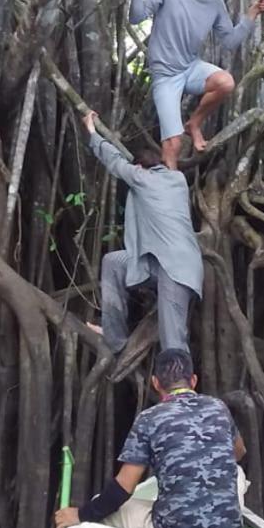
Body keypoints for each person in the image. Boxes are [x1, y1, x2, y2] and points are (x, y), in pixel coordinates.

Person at [56, 348, 245, 528]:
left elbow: (123, 487)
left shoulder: (149, 418)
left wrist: (81, 514)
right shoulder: (219, 408)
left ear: (155, 383)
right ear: (194, 381)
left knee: (101, 510)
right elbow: (239, 452)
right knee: (239, 473)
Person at [129, 0, 264, 167]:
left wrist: (252, 14)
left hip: (190, 68)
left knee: (226, 82)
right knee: (173, 144)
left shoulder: (215, 3)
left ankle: (194, 123)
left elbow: (230, 41)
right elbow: (136, 17)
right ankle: (172, 197)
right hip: (165, 75)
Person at [83, 110, 202, 354]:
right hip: (157, 261)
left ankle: (181, 390)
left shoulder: (142, 178)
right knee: (113, 263)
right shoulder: (178, 180)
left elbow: (114, 160)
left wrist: (92, 131)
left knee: (173, 341)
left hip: (177, 270)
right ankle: (115, 337)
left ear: (140, 167)